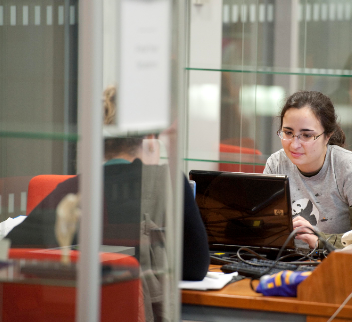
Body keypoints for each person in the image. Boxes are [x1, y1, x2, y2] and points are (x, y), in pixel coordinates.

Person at [6, 86, 210, 322]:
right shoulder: (170, 182)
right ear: (151, 140)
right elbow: (195, 269)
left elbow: (11, 251)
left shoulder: (71, 190)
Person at [263, 91, 352, 250]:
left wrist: (319, 241)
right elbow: (262, 227)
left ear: (327, 135)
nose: (294, 145)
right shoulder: (276, 163)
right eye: (288, 133)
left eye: (306, 135)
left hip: (335, 265)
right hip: (284, 261)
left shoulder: (351, 169)